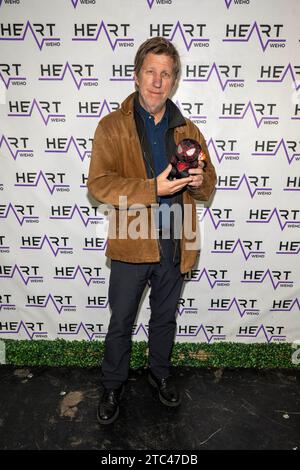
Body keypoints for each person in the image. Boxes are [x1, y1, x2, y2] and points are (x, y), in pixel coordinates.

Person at [87, 37, 217, 425]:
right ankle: (113, 384)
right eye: (150, 72)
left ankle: (160, 375)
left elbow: (209, 184)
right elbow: (99, 184)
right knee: (121, 319)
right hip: (132, 240)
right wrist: (151, 188)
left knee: (164, 318)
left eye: (166, 74)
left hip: (178, 239)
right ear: (136, 74)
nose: (157, 82)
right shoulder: (112, 126)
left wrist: (197, 181)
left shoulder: (187, 128)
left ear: (174, 80)